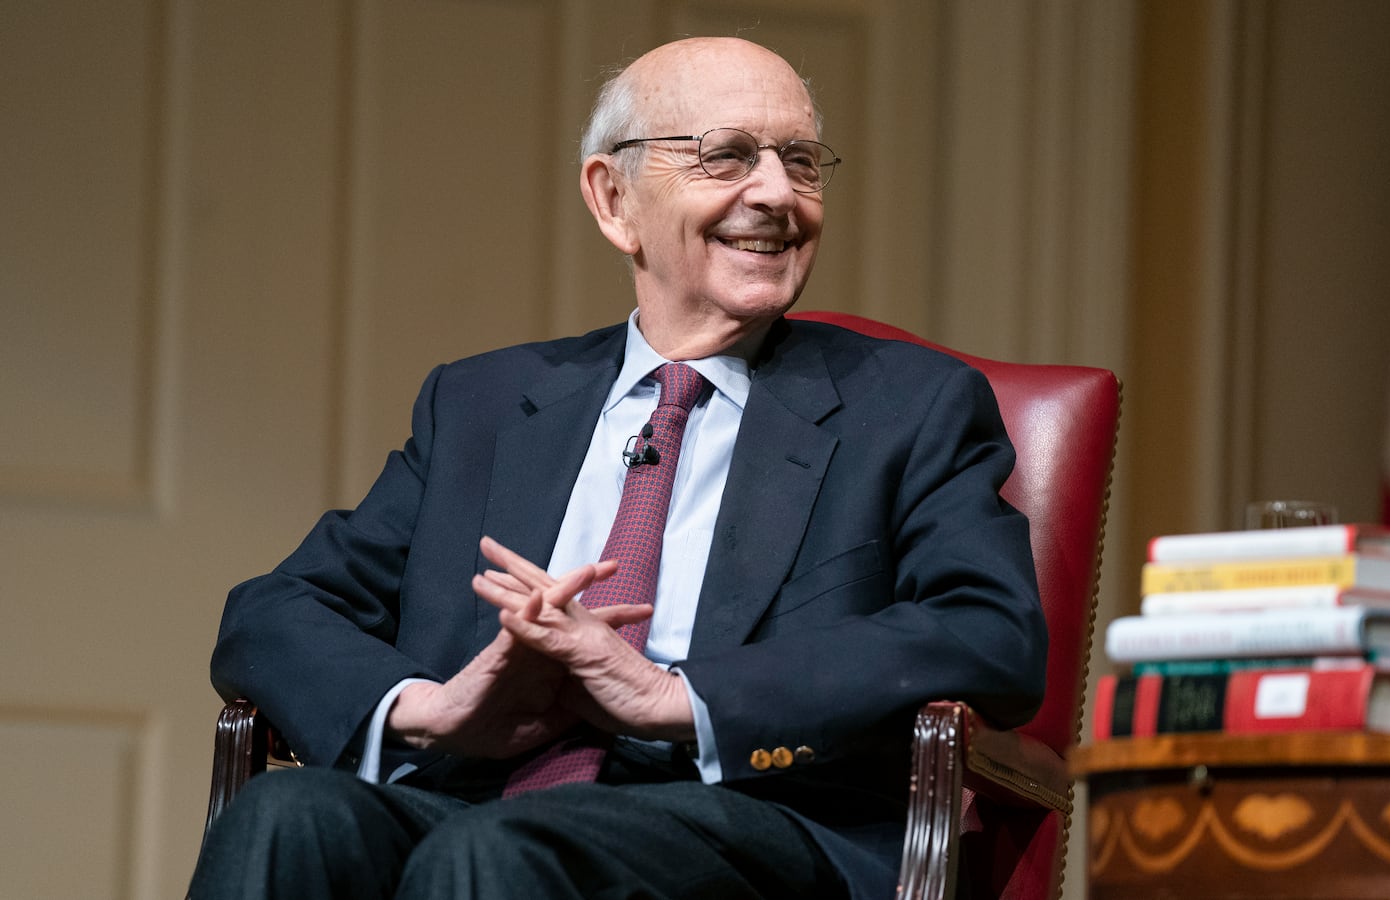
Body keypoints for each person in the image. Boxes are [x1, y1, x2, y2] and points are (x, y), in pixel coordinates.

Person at [190, 36, 1046, 900]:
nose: (779, 195)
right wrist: (432, 709)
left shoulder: (904, 406)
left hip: (744, 818)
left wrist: (680, 699)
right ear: (613, 200)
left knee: (498, 853)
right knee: (283, 816)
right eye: (728, 157)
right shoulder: (485, 404)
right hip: (478, 799)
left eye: (800, 161)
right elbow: (272, 612)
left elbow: (989, 633)